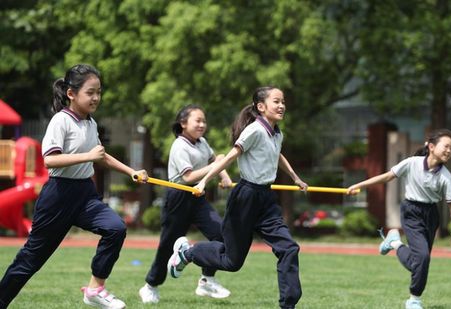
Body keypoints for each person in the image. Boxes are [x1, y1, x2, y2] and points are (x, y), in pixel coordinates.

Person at [0, 64, 148, 309]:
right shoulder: (61, 121)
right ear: (71, 93)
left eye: (99, 92)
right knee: (30, 260)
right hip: (58, 196)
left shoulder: (90, 123)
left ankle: (94, 289)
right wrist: (88, 157)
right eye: (90, 92)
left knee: (115, 228)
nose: (96, 98)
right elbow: (50, 160)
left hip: (85, 195)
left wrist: (131, 172)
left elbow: (100, 155)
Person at [166, 86, 308, 309]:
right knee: (231, 262)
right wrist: (204, 181)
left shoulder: (276, 132)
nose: (282, 106)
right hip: (245, 198)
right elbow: (230, 157)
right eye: (276, 101)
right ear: (261, 107)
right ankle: (188, 253)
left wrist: (295, 178)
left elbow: (277, 154)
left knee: (289, 248)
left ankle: (287, 306)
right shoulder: (254, 130)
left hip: (266, 199)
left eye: (283, 102)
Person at [346, 128, 451, 309]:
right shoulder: (412, 163)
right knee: (422, 258)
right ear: (431, 147)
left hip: (431, 215)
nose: (449, 151)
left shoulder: (447, 177)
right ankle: (414, 300)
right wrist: (359, 184)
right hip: (411, 212)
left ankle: (395, 243)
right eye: (446, 146)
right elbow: (387, 177)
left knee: (420, 262)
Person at [139, 104, 232, 303]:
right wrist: (214, 168)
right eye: (197, 120)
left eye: (203, 121)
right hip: (178, 197)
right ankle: (150, 286)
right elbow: (188, 176)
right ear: (183, 123)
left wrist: (223, 176)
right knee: (167, 246)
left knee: (220, 234)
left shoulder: (202, 142)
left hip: (198, 198)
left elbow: (216, 160)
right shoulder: (179, 146)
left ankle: (207, 280)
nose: (202, 125)